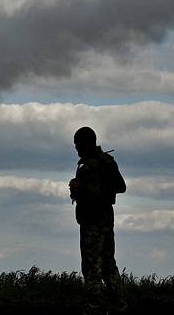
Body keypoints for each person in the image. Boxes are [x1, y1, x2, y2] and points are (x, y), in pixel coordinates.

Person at [68, 126, 127, 314]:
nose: (76, 149)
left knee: (91, 265)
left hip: (91, 222)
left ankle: (95, 305)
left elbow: (92, 194)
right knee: (109, 263)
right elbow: (121, 187)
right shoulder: (108, 161)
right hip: (106, 222)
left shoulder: (90, 166)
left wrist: (78, 187)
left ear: (86, 143)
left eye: (78, 145)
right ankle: (119, 303)